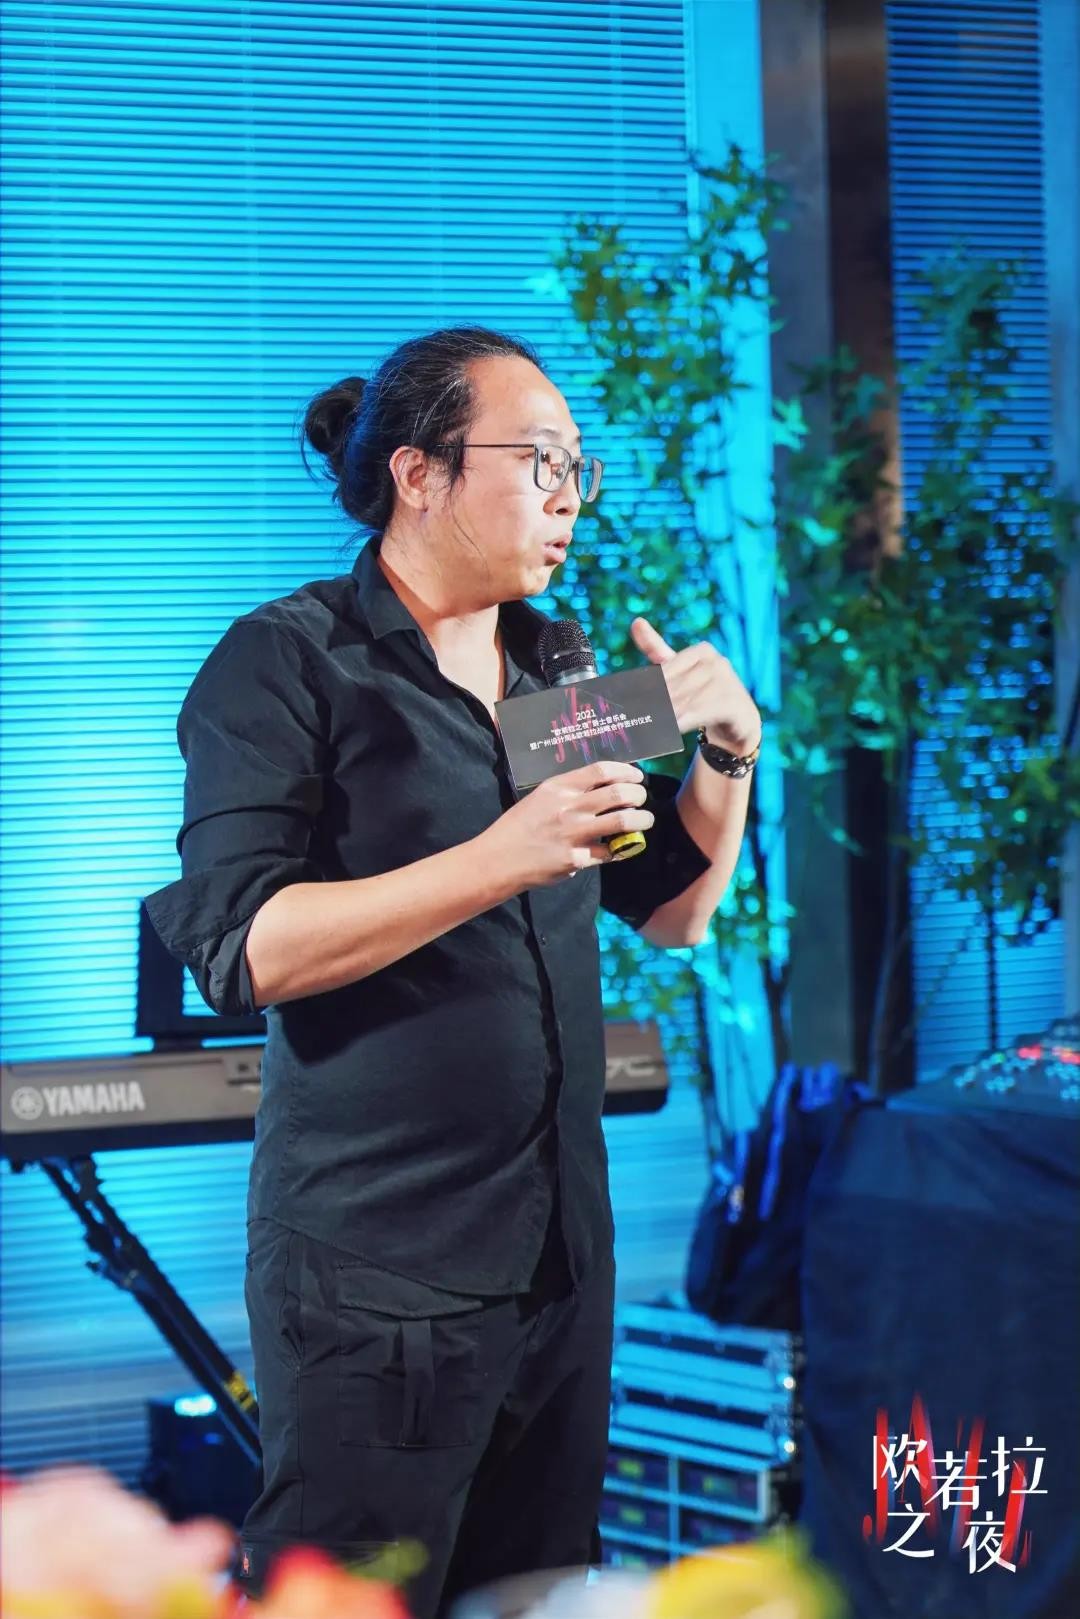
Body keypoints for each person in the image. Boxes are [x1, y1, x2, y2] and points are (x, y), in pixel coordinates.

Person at [145, 326, 760, 1619]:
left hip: (558, 1254)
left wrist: (726, 756)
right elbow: (243, 950)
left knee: (534, 1593)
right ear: (418, 475)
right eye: (538, 461)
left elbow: (673, 913)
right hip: (378, 1267)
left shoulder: (555, 664)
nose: (567, 496)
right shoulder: (290, 662)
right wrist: (499, 857)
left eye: (579, 467)